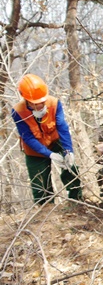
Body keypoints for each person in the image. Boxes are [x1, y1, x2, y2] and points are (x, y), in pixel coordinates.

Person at [11, 74, 83, 204]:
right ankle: (46, 211)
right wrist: (49, 155)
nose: (40, 106)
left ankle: (77, 200)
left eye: (42, 102)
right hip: (34, 149)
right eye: (36, 104)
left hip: (55, 140)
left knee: (71, 167)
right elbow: (28, 137)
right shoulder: (18, 111)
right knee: (40, 185)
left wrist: (68, 150)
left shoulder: (54, 103)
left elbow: (62, 127)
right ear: (26, 100)